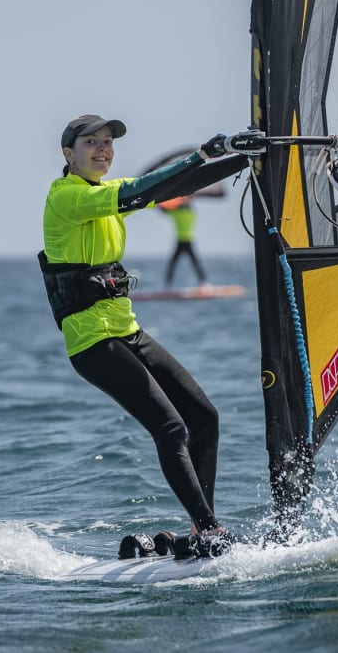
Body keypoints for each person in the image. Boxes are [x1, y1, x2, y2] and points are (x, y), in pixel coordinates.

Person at [39, 114, 244, 541]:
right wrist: (202, 154)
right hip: (92, 342)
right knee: (170, 428)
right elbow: (138, 191)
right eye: (91, 142)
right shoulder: (66, 197)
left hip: (126, 331)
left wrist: (244, 162)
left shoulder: (104, 196)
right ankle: (210, 531)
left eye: (108, 142)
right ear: (68, 154)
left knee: (204, 417)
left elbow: (170, 188)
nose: (102, 148)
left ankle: (199, 526)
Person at [160, 197, 208, 288]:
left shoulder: (177, 213)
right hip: (186, 241)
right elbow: (187, 207)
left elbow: (163, 210)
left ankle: (167, 285)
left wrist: (162, 202)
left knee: (173, 264)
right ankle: (204, 283)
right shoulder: (192, 214)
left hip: (183, 241)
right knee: (195, 263)